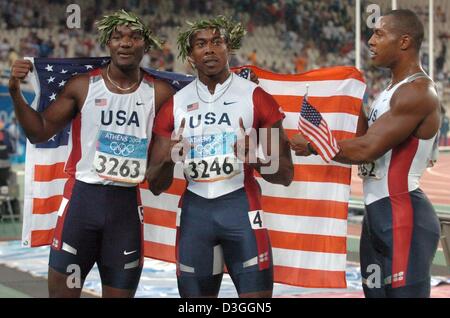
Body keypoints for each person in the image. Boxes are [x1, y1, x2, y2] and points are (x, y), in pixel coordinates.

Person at [8, 10, 175, 298]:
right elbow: (40, 131)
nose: (125, 43)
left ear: (146, 46)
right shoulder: (83, 86)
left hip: (125, 212)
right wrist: (14, 91)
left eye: (134, 37)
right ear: (107, 43)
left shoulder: (160, 93)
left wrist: (170, 157)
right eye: (117, 37)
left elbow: (159, 184)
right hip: (81, 206)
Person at [290, 9, 441, 298]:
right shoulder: (388, 92)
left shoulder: (418, 91)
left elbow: (367, 149)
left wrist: (312, 145)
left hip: (404, 215)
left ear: (405, 41)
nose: (370, 41)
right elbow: (362, 141)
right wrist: (351, 99)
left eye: (379, 34)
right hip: (377, 218)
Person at [146, 16, 294, 298]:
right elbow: (155, 184)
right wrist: (168, 160)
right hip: (195, 215)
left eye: (217, 42)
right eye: (201, 44)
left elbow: (285, 174)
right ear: (190, 55)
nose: (210, 49)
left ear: (229, 48)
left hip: (241, 209)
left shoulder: (257, 97)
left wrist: (258, 159)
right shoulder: (175, 105)